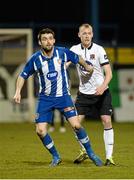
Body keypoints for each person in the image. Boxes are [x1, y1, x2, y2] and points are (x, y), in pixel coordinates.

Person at [13, 28, 103, 167]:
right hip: (45, 99)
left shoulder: (62, 52)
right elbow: (23, 75)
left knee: (77, 125)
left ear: (54, 40)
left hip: (63, 97)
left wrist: (86, 65)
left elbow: (77, 58)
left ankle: (91, 153)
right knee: (40, 131)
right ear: (40, 42)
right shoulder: (35, 59)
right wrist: (18, 91)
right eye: (44, 39)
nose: (48, 41)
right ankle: (56, 156)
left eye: (50, 38)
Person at [69, 23, 115, 166]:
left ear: (92, 35)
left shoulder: (99, 50)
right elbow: (64, 65)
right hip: (83, 94)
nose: (87, 35)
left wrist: (102, 87)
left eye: (89, 33)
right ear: (79, 35)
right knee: (75, 124)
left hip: (101, 92)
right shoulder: (74, 50)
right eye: (84, 33)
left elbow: (109, 73)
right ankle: (84, 151)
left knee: (106, 120)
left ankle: (109, 158)